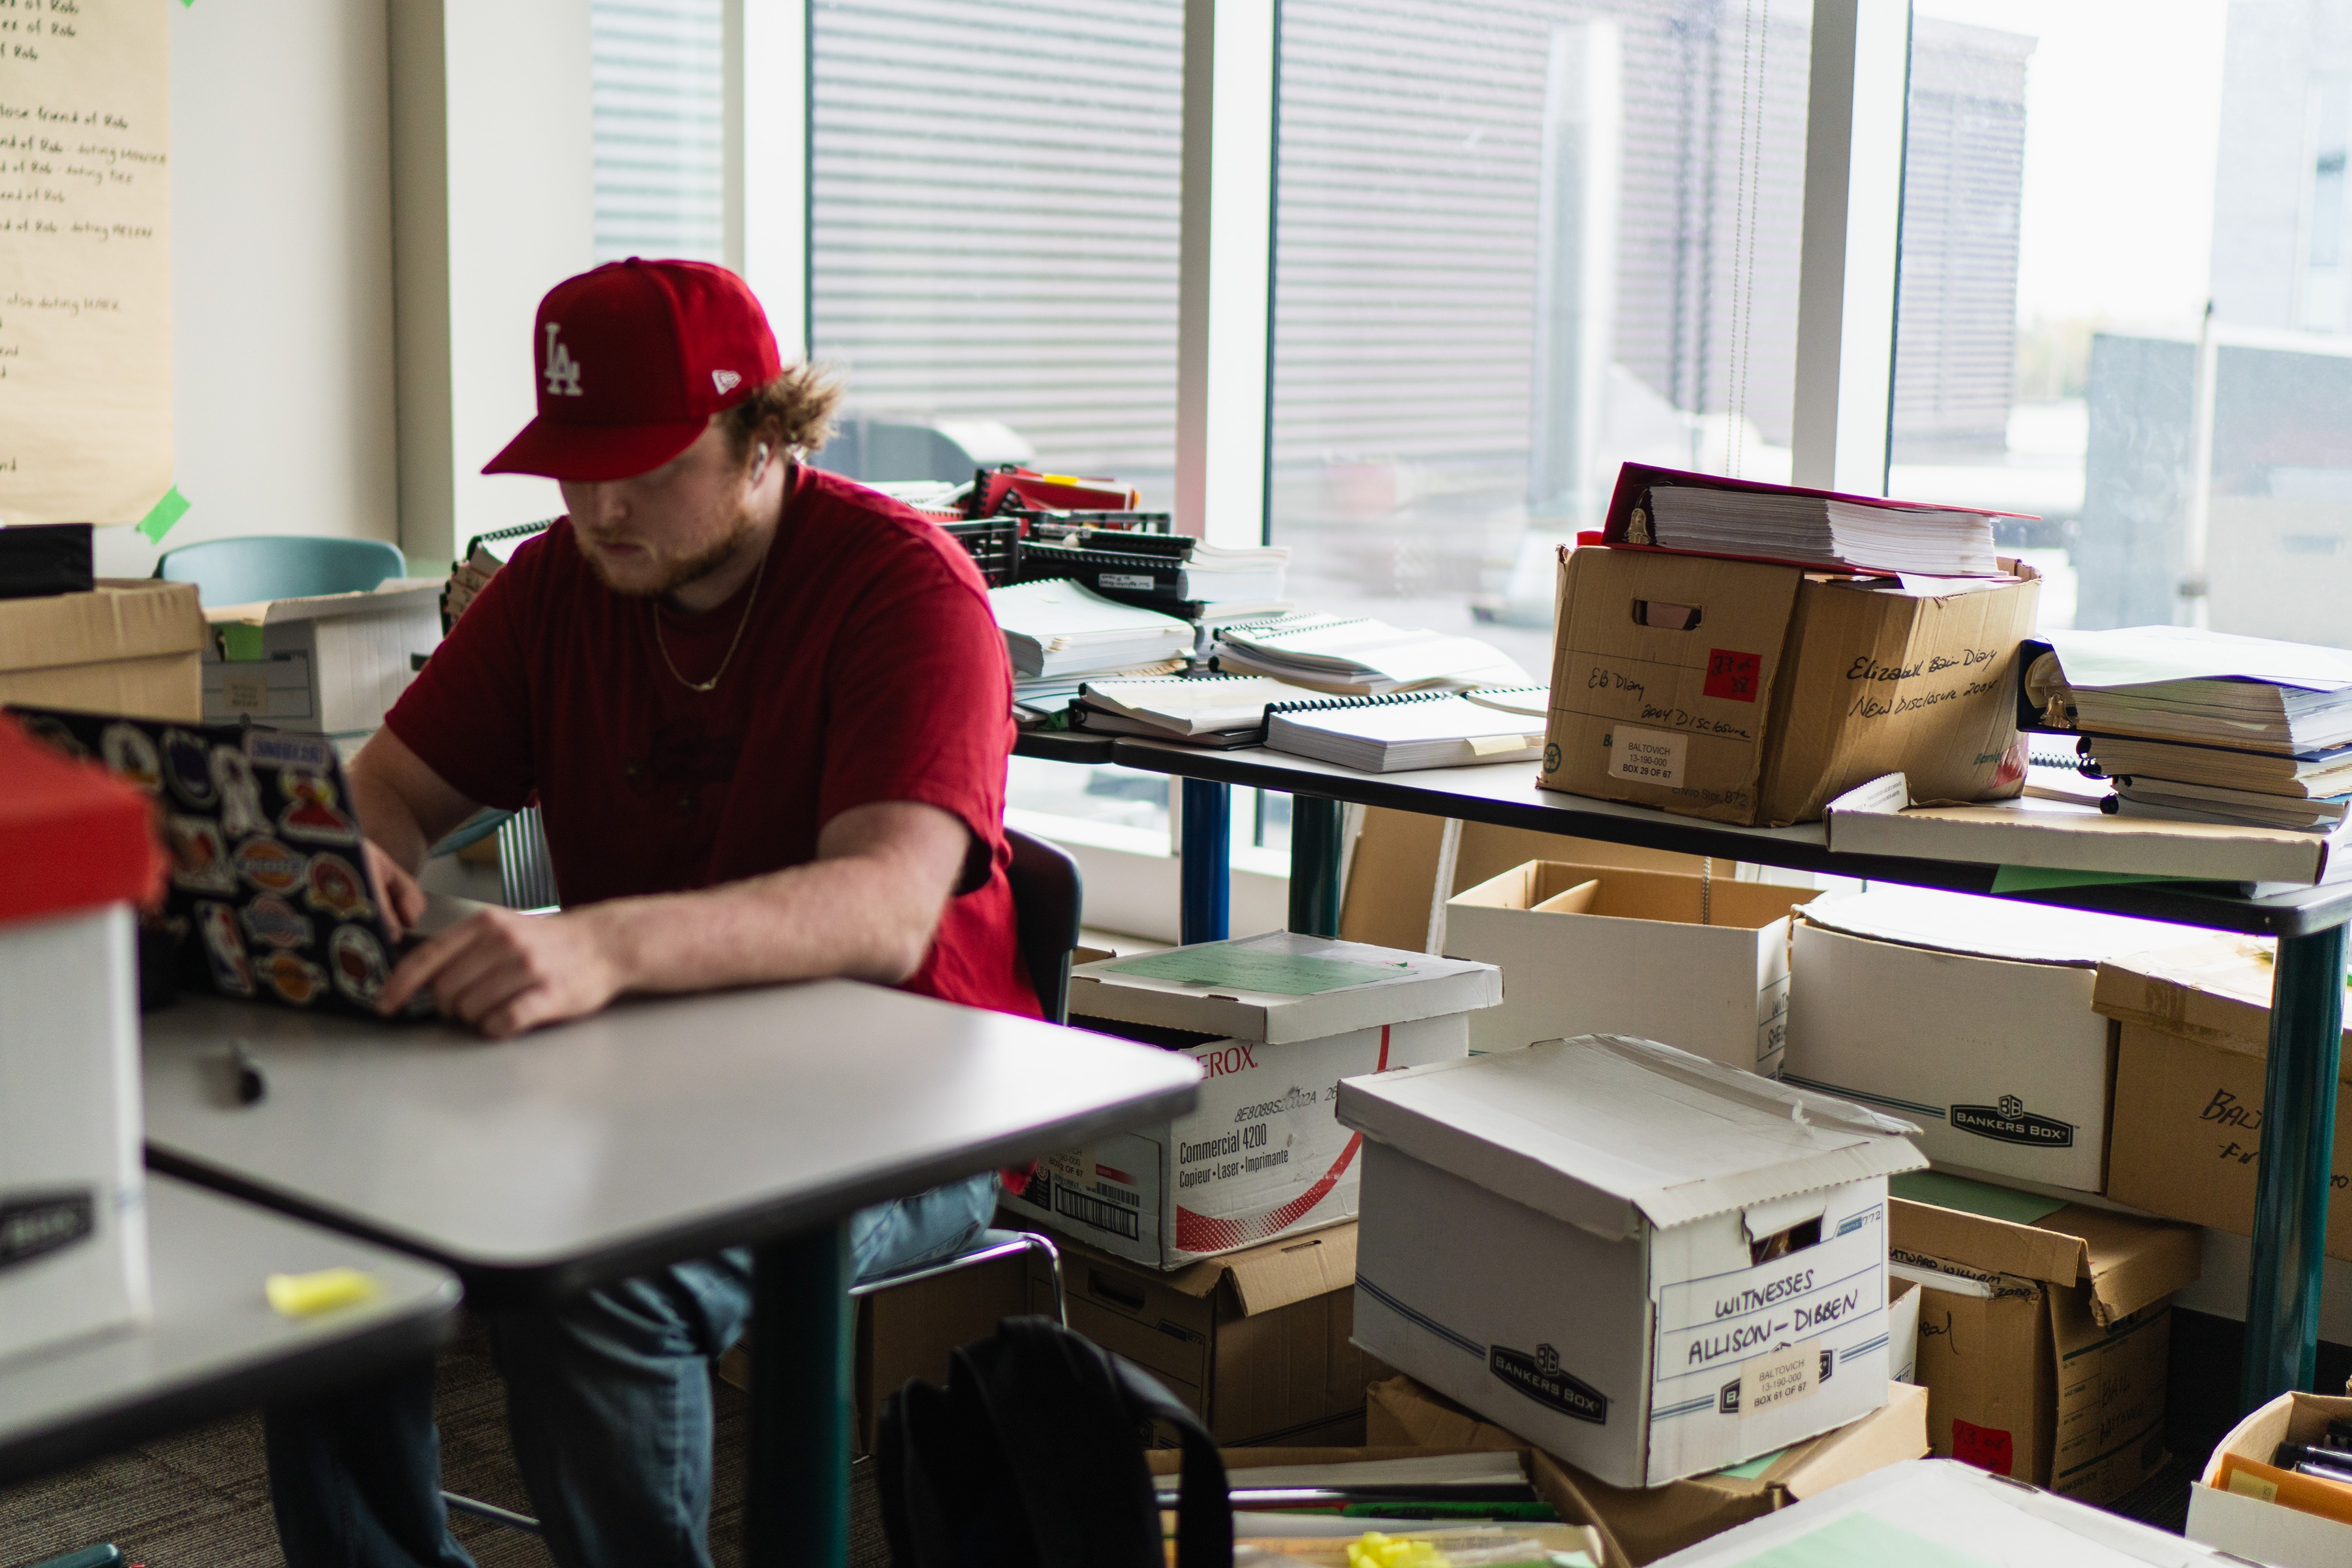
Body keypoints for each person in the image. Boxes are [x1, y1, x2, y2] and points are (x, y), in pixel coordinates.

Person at [264, 258, 1036, 1568]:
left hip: (903, 1100)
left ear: (765, 437)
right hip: (643, 1071)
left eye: (648, 463)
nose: (601, 504)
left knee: (598, 1274)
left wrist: (593, 942)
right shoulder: (564, 578)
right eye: (573, 464)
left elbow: (887, 906)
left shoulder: (902, 587)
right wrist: (355, 870)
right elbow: (386, 789)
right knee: (321, 1208)